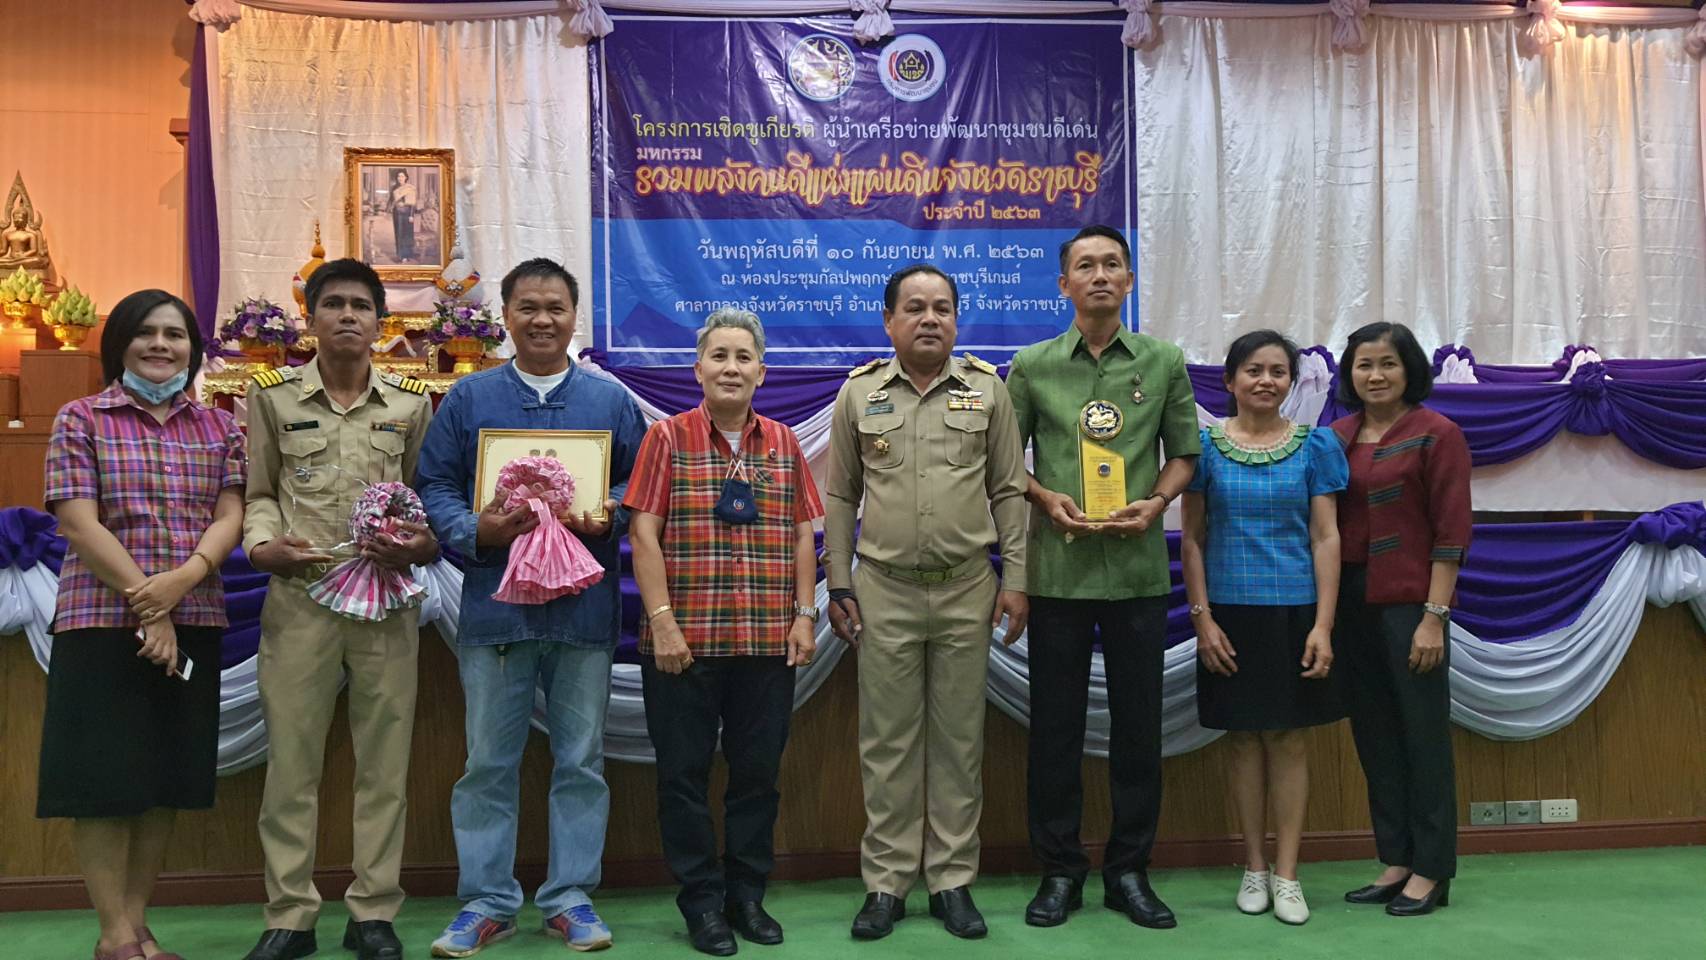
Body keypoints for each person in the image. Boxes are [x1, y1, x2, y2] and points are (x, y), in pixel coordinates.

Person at [415, 257, 645, 957]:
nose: (542, 319)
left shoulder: (609, 403)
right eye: (527, 307)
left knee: (580, 760)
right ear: (505, 317)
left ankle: (570, 896)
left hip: (582, 614)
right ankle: (486, 900)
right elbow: (434, 486)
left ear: (575, 317)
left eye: (555, 307)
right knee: (488, 761)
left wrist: (607, 516)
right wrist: (471, 530)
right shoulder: (468, 400)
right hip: (497, 614)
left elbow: (639, 486)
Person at [823, 264, 1029, 942]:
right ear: (889, 321)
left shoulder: (988, 391)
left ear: (957, 320)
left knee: (958, 742)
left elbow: (1008, 490)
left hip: (969, 586)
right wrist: (840, 581)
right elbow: (841, 495)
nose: (930, 319)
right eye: (914, 308)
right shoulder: (858, 395)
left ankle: (951, 881)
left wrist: (1017, 578)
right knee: (887, 743)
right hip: (884, 589)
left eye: (942, 307)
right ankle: (885, 883)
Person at [242, 258, 439, 960]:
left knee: (384, 764)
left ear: (380, 324)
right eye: (333, 305)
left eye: (361, 305)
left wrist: (420, 544)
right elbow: (260, 490)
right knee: (292, 765)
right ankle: (289, 915)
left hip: (385, 605)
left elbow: (426, 500)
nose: (348, 316)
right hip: (301, 602)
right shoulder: (271, 399)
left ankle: (373, 911)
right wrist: (263, 546)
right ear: (311, 319)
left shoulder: (412, 405)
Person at [38, 289, 245, 960]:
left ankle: (135, 925)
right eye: (146, 333)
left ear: (193, 349)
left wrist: (182, 582)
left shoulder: (221, 427)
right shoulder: (80, 419)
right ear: (119, 344)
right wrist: (146, 602)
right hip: (99, 623)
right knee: (103, 782)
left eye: (175, 335)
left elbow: (230, 516)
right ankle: (111, 931)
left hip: (196, 617)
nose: (161, 345)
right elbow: (76, 519)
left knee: (163, 781)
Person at [1005, 225, 1200, 930]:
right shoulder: (1031, 365)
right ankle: (1059, 871)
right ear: (1063, 285)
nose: (1098, 275)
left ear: (1128, 281)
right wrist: (1041, 495)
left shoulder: (1164, 361)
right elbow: (1007, 464)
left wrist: (1158, 501)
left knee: (1137, 734)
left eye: (1111, 265)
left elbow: (1184, 453)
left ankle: (1129, 872)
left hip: (1137, 575)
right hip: (1057, 575)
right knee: (1054, 732)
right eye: (1084, 266)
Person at [625, 308, 825, 957]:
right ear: (699, 368)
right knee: (682, 777)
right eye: (720, 355)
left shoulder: (786, 443)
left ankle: (746, 897)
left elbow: (803, 534)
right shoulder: (667, 439)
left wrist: (803, 614)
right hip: (685, 642)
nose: (731, 367)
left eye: (744, 357)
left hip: (767, 642)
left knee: (757, 778)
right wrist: (662, 623)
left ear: (761, 372)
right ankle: (701, 904)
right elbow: (643, 532)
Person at [1179, 330, 1347, 925]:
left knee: (1289, 740)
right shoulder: (1202, 448)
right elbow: (1192, 541)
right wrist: (1202, 622)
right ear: (1229, 380)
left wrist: (1324, 625)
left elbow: (1326, 538)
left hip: (1295, 614)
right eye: (1253, 370)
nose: (1266, 381)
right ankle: (1252, 866)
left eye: (1278, 371)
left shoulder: (1315, 446)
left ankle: (1289, 875)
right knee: (1244, 740)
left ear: (1291, 383)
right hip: (1226, 615)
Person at [1331, 321, 1471, 917]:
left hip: (1411, 606)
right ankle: (1397, 859)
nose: (1376, 375)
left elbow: (1452, 532)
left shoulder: (1437, 434)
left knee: (1421, 738)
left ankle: (1433, 869)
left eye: (1387, 363)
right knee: (1376, 739)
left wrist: (1433, 618)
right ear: (1349, 373)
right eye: (1364, 364)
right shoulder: (1335, 435)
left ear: (1410, 369)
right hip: (1348, 607)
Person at [390, 170, 417, 263]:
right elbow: (391, 201)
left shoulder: (410, 188)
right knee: (399, 234)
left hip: (407, 214)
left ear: (406, 177)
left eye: (402, 176)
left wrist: (411, 215)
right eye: (398, 176)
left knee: (407, 235)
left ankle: (408, 254)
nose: (400, 178)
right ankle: (401, 256)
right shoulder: (394, 188)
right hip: (397, 214)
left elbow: (413, 204)